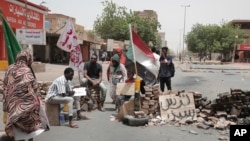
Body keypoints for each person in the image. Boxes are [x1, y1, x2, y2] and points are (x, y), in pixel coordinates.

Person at [2, 50, 49, 141]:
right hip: (28, 106)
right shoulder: (27, 70)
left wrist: (5, 107)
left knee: (18, 130)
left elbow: (5, 88)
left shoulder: (9, 69)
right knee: (29, 128)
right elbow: (34, 88)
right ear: (28, 59)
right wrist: (38, 102)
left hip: (13, 105)